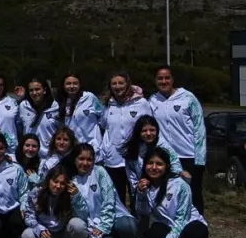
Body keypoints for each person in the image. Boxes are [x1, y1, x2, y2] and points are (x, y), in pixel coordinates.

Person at [135, 147, 209, 238]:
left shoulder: (180, 185)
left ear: (167, 166)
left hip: (187, 224)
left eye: (159, 164)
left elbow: (182, 218)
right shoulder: (147, 186)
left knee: (198, 233)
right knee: (151, 234)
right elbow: (143, 212)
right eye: (150, 163)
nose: (154, 167)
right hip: (166, 225)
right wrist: (140, 193)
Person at [69, 143, 138, 238]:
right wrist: (76, 196)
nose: (85, 163)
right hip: (94, 223)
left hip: (114, 216)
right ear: (75, 160)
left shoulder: (99, 171)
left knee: (127, 225)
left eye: (89, 159)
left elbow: (109, 199)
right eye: (81, 159)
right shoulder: (73, 181)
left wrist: (104, 226)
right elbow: (83, 214)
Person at [148, 66, 206, 214]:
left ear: (173, 79)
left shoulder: (188, 98)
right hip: (165, 157)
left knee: (193, 195)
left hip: (188, 156)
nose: (164, 81)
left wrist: (199, 159)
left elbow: (199, 128)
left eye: (167, 77)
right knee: (168, 195)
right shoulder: (152, 100)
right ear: (155, 81)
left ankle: (196, 229)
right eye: (160, 78)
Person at [99, 72, 151, 205]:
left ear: (128, 84)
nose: (117, 86)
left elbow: (149, 127)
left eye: (121, 83)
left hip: (135, 157)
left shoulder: (141, 103)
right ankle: (120, 224)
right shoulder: (107, 105)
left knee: (138, 196)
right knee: (117, 198)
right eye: (114, 83)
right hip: (113, 159)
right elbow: (104, 126)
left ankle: (140, 224)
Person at [20, 165, 89, 238]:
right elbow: (28, 214)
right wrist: (39, 229)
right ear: (48, 180)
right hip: (45, 232)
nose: (58, 186)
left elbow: (84, 216)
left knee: (78, 224)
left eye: (62, 183)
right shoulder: (37, 192)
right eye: (55, 182)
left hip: (63, 232)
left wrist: (77, 197)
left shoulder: (71, 194)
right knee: (27, 236)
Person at [123, 115, 185, 199]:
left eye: (152, 130)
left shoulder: (165, 147)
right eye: (144, 131)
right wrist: (138, 188)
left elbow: (176, 167)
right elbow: (130, 172)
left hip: (164, 191)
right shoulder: (133, 149)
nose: (148, 133)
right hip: (141, 190)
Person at [58, 74, 103, 154]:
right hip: (73, 151)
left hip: (93, 149)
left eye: (75, 83)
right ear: (63, 86)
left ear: (80, 85)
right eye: (68, 83)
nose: (71, 86)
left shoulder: (90, 97)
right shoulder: (61, 103)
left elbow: (103, 117)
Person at [18, 78, 59, 158]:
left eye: (37, 89)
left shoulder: (55, 107)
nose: (34, 93)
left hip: (49, 155)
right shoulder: (23, 106)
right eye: (31, 90)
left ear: (44, 90)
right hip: (29, 154)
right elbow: (19, 129)